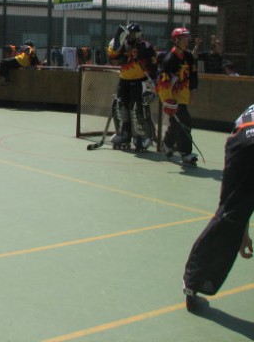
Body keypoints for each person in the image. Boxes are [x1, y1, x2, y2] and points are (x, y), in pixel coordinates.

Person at [183, 104, 254, 312]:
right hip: (245, 141)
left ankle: (192, 284)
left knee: (228, 213)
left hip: (241, 141)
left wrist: (240, 226)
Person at [106, 23, 158, 151]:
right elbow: (111, 57)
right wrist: (117, 42)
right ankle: (124, 134)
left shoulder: (146, 47)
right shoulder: (123, 45)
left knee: (137, 109)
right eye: (129, 34)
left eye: (134, 34)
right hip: (124, 81)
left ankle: (142, 136)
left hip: (139, 81)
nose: (132, 37)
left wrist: (153, 83)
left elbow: (153, 65)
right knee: (120, 106)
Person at [156, 27, 199, 165]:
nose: (187, 40)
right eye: (183, 38)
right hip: (173, 98)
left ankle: (167, 144)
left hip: (184, 95)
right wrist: (167, 101)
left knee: (176, 124)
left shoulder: (189, 56)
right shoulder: (169, 59)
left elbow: (193, 75)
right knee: (185, 122)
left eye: (187, 37)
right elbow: (163, 81)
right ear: (176, 40)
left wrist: (192, 91)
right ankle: (186, 153)